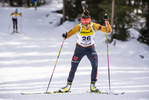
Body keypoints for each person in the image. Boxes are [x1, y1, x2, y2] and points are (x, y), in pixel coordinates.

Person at [58, 9, 112, 93]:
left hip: (90, 49)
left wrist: (106, 21)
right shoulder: (78, 27)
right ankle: (68, 86)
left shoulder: (94, 26)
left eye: (88, 24)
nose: (86, 26)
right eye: (84, 24)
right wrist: (65, 35)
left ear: (90, 22)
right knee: (73, 68)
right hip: (79, 49)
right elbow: (68, 34)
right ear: (82, 23)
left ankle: (93, 86)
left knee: (95, 65)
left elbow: (108, 30)